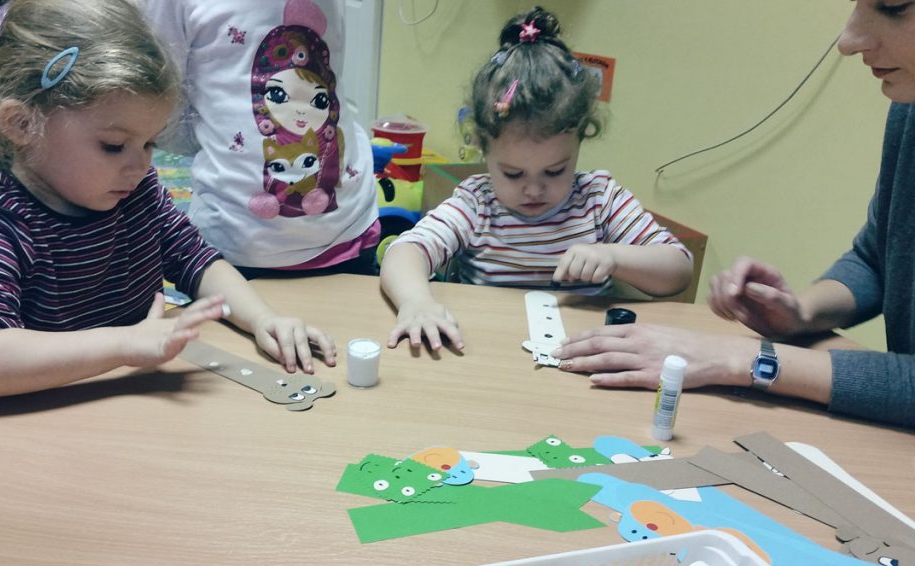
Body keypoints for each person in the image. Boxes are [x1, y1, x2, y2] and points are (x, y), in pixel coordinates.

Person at [0, 0, 336, 400]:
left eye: (149, 143)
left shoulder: (137, 194)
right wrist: (125, 344)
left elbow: (197, 262)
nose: (140, 165)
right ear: (22, 124)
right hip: (43, 422)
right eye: (114, 145)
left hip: (131, 400)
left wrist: (263, 318)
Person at [552, 0, 915, 430]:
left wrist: (739, 358)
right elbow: (876, 257)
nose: (848, 40)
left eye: (893, 7)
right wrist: (803, 312)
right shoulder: (907, 107)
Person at [378, 7, 693, 352]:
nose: (533, 189)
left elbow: (678, 268)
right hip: (488, 351)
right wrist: (416, 302)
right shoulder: (477, 203)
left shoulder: (599, 198)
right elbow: (404, 251)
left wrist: (615, 257)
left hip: (580, 356)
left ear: (579, 140)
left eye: (555, 171)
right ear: (483, 147)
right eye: (513, 174)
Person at [140, 0, 381, 280]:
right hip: (235, 243)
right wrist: (218, 142)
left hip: (349, 228)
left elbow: (329, 83)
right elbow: (157, 103)